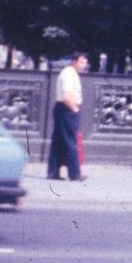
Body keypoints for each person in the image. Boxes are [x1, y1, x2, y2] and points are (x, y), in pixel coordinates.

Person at [47, 52, 88, 182]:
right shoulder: (70, 74)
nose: (84, 65)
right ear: (74, 61)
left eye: (85, 62)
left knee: (58, 141)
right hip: (67, 110)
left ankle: (53, 172)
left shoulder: (68, 73)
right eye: (82, 62)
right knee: (71, 142)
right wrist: (75, 109)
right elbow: (66, 96)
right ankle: (75, 174)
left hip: (62, 110)